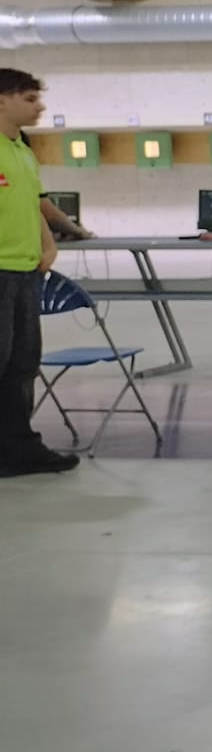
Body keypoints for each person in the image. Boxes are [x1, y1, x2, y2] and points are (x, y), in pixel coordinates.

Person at [0, 69, 77, 478]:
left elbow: (33, 204)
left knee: (22, 365)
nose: (40, 106)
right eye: (29, 99)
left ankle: (19, 449)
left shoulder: (22, 149)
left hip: (24, 272)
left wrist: (48, 244)